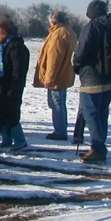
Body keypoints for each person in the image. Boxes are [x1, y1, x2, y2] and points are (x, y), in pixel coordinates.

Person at [73, 0, 111, 164]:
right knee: (102, 112)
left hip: (92, 78)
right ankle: (100, 144)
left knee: (90, 113)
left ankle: (98, 149)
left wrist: (77, 66)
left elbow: (81, 51)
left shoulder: (90, 27)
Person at [33, 10, 78, 141]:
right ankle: (61, 128)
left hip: (57, 77)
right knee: (60, 102)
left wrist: (49, 78)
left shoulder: (58, 34)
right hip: (65, 74)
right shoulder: (69, 32)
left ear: (53, 22)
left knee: (56, 103)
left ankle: (60, 131)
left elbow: (54, 59)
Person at [0, 19, 29, 151]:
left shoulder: (16, 47)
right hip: (1, 86)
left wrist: (14, 87)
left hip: (12, 86)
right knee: (2, 114)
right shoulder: (0, 46)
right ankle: (6, 140)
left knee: (12, 115)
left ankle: (20, 141)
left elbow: (18, 71)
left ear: (5, 33)